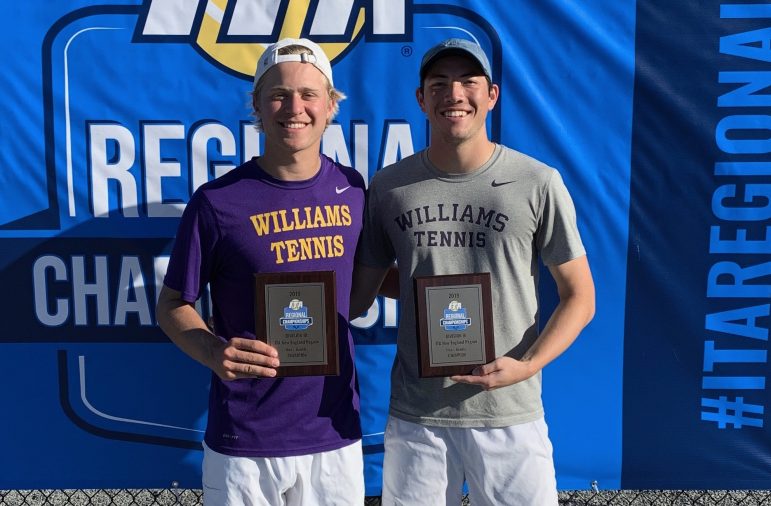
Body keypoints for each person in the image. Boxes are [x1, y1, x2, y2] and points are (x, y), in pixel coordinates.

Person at [350, 38, 595, 505]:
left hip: (510, 413)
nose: (454, 94)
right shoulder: (389, 187)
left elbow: (580, 296)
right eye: (438, 84)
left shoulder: (537, 182)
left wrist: (527, 366)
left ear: (491, 95)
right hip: (418, 416)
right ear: (421, 99)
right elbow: (361, 290)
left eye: (467, 81)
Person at [156, 38, 366, 505]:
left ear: (331, 105)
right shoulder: (217, 201)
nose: (295, 107)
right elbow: (172, 305)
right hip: (245, 440)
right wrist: (212, 351)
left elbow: (374, 280)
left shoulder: (355, 192)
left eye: (310, 94)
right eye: (278, 94)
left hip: (333, 433)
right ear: (256, 105)